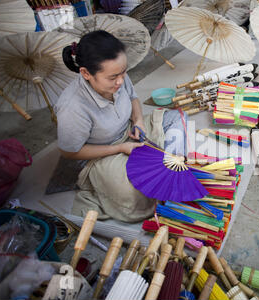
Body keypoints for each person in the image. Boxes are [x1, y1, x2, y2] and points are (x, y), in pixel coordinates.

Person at [56, 30, 188, 222]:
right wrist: (119, 148)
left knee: (175, 118)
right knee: (133, 192)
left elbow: (133, 98)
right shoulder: (72, 107)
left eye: (123, 72)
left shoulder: (119, 76)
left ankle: (171, 165)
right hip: (101, 154)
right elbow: (70, 152)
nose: (120, 81)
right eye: (112, 78)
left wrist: (139, 121)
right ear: (85, 73)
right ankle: (160, 174)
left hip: (130, 132)